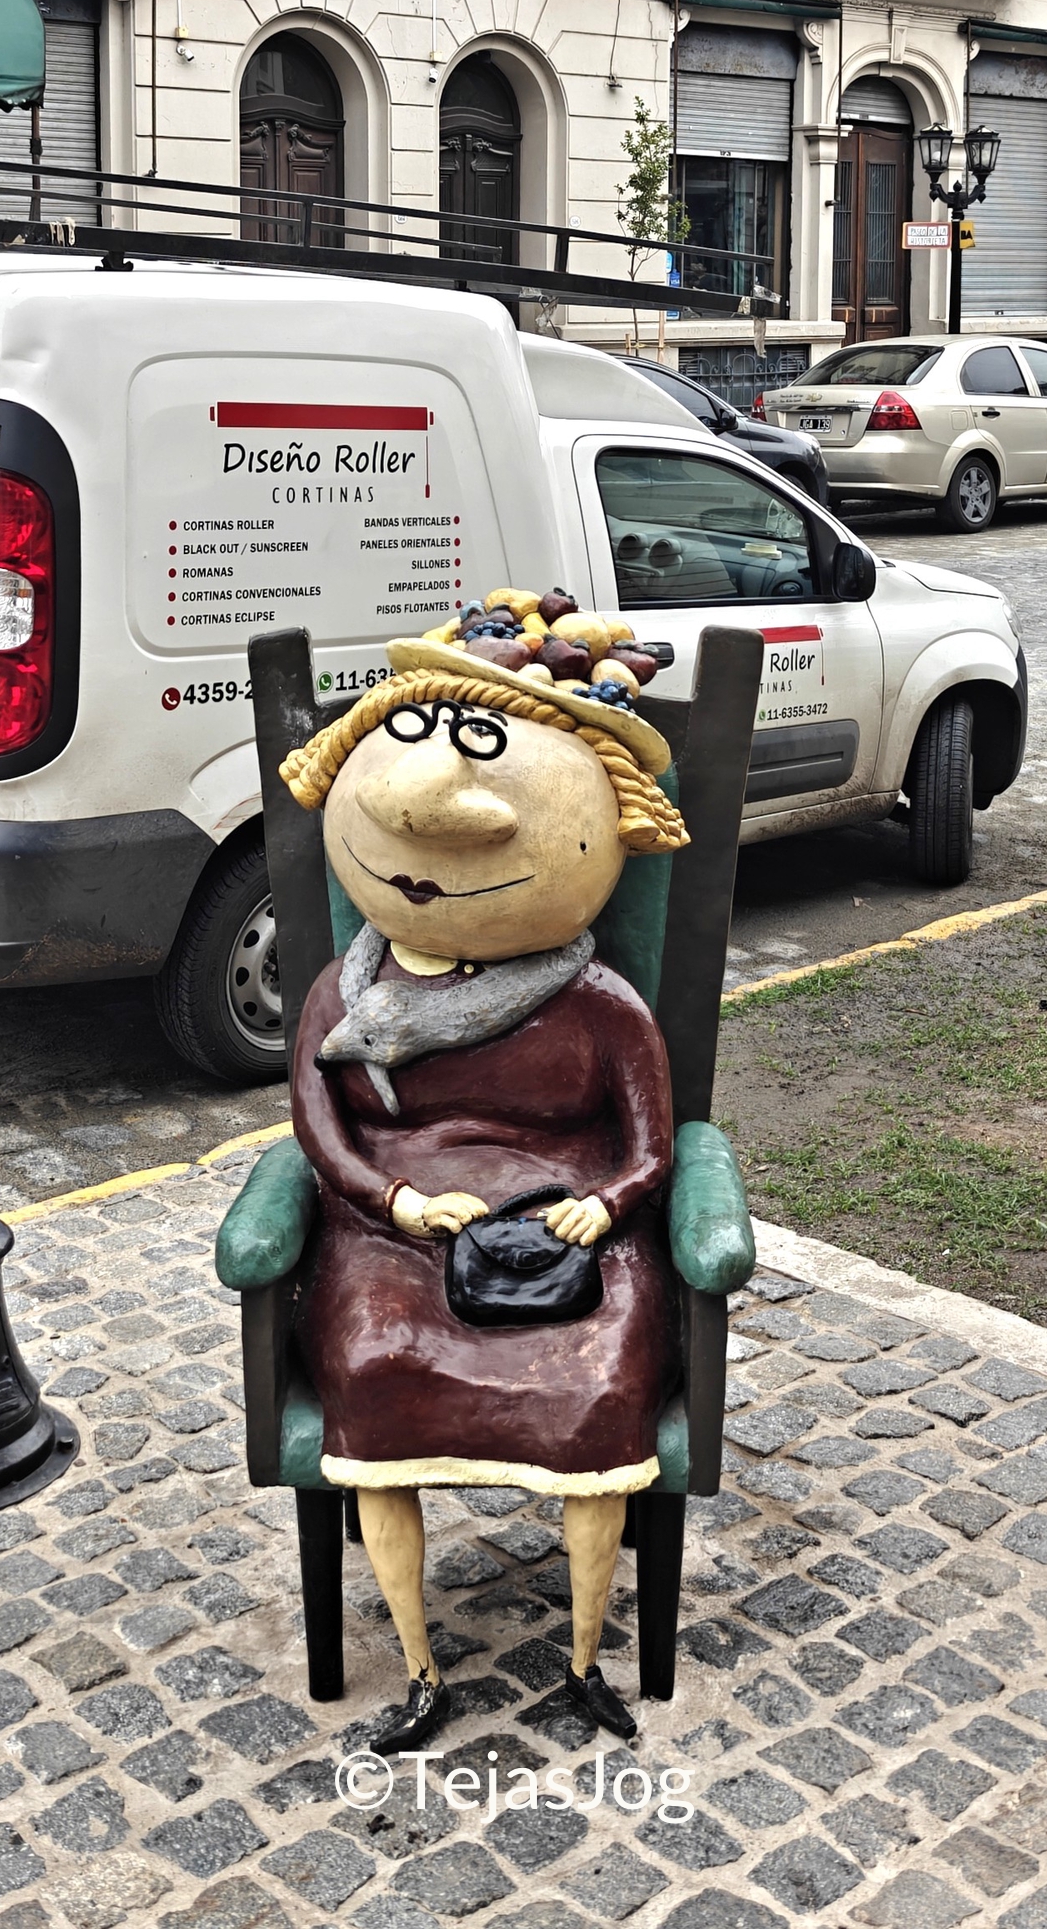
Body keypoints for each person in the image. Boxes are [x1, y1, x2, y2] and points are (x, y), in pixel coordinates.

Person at [278, 612, 689, 1755]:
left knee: (602, 1368)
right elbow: (318, 1123)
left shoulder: (599, 1003)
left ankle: (582, 1655)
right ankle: (417, 1663)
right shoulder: (346, 994)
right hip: (394, 1226)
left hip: (569, 1220)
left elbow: (652, 1144)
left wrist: (601, 1204)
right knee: (374, 1355)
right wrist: (394, 1202)